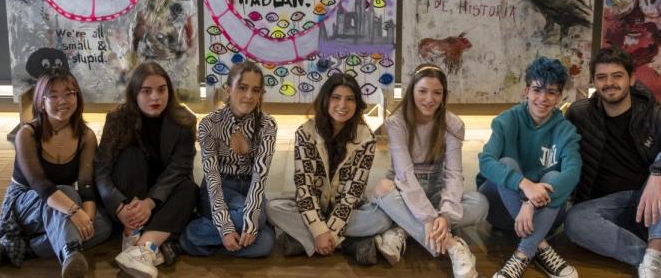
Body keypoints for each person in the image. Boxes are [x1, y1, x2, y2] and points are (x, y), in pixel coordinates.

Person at [564, 46, 661, 278]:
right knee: (574, 220)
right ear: (594, 81)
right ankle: (660, 260)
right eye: (601, 77)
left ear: (631, 79)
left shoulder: (652, 113)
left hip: (656, 205)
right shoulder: (580, 113)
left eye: (617, 76)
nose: (609, 83)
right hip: (608, 208)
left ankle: (652, 266)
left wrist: (658, 174)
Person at [0, 69, 112, 277]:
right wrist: (74, 211)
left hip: (60, 205)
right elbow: (41, 185)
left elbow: (86, 183)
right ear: (41, 101)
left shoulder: (86, 136)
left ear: (77, 97)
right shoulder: (27, 134)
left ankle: (25, 249)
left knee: (103, 226)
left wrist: (87, 218)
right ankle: (70, 254)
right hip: (25, 205)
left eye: (69, 93)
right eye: (53, 95)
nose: (62, 100)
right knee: (67, 193)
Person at [371, 64, 488, 278]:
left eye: (437, 93)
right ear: (412, 91)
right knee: (382, 188)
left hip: (436, 187)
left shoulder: (453, 124)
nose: (429, 99)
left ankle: (404, 229)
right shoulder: (396, 122)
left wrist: (445, 214)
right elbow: (405, 175)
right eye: (422, 91)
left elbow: (453, 174)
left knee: (480, 204)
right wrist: (428, 218)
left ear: (444, 95)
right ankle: (452, 245)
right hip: (404, 188)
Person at [267, 73, 392, 264]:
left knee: (382, 219)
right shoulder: (305, 133)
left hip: (347, 213)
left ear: (357, 104)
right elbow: (305, 188)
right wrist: (319, 229)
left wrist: (329, 232)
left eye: (350, 99)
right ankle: (349, 243)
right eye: (336, 98)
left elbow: (353, 193)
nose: (342, 105)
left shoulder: (366, 137)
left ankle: (305, 242)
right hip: (313, 208)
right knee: (272, 208)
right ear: (325, 99)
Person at [477, 57, 581, 278]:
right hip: (500, 208)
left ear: (559, 97)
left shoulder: (566, 131)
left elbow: (573, 174)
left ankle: (523, 254)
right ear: (526, 91)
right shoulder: (507, 120)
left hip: (545, 214)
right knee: (506, 163)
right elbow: (486, 162)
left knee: (555, 175)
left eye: (551, 92)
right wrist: (524, 186)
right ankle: (540, 247)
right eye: (537, 90)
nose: (543, 98)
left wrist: (530, 203)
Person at [95, 62, 198, 278]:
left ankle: (141, 248)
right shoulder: (117, 119)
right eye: (146, 91)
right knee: (132, 156)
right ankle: (140, 236)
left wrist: (150, 202)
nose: (155, 98)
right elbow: (101, 170)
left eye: (162, 90)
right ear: (135, 93)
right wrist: (119, 207)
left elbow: (181, 167)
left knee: (189, 188)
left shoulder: (184, 120)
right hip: (128, 198)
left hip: (160, 201)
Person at [181, 61, 277, 257]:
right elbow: (212, 179)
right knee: (258, 226)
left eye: (256, 90)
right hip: (218, 189)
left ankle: (195, 240)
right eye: (242, 88)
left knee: (264, 244)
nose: (249, 96)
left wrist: (251, 221)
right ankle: (193, 233)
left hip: (250, 187)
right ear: (228, 90)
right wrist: (225, 227)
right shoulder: (209, 124)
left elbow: (260, 178)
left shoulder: (268, 125)